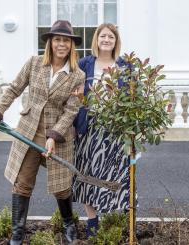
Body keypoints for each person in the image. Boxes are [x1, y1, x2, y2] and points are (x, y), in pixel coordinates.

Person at [0, 20, 85, 244]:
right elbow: (14, 88)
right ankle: (17, 233)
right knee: (22, 183)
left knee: (61, 187)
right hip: (28, 132)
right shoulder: (34, 63)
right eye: (57, 39)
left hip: (58, 138)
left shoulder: (77, 75)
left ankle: (69, 224)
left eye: (66, 40)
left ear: (71, 45)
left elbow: (71, 111)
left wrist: (53, 136)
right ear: (50, 42)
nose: (62, 44)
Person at [72, 23, 131, 238]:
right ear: (96, 39)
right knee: (88, 174)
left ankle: (114, 218)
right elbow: (74, 92)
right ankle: (92, 222)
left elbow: (133, 100)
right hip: (89, 128)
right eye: (103, 36)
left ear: (116, 41)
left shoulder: (126, 66)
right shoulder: (84, 64)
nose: (106, 40)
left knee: (116, 173)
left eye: (111, 37)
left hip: (115, 129)